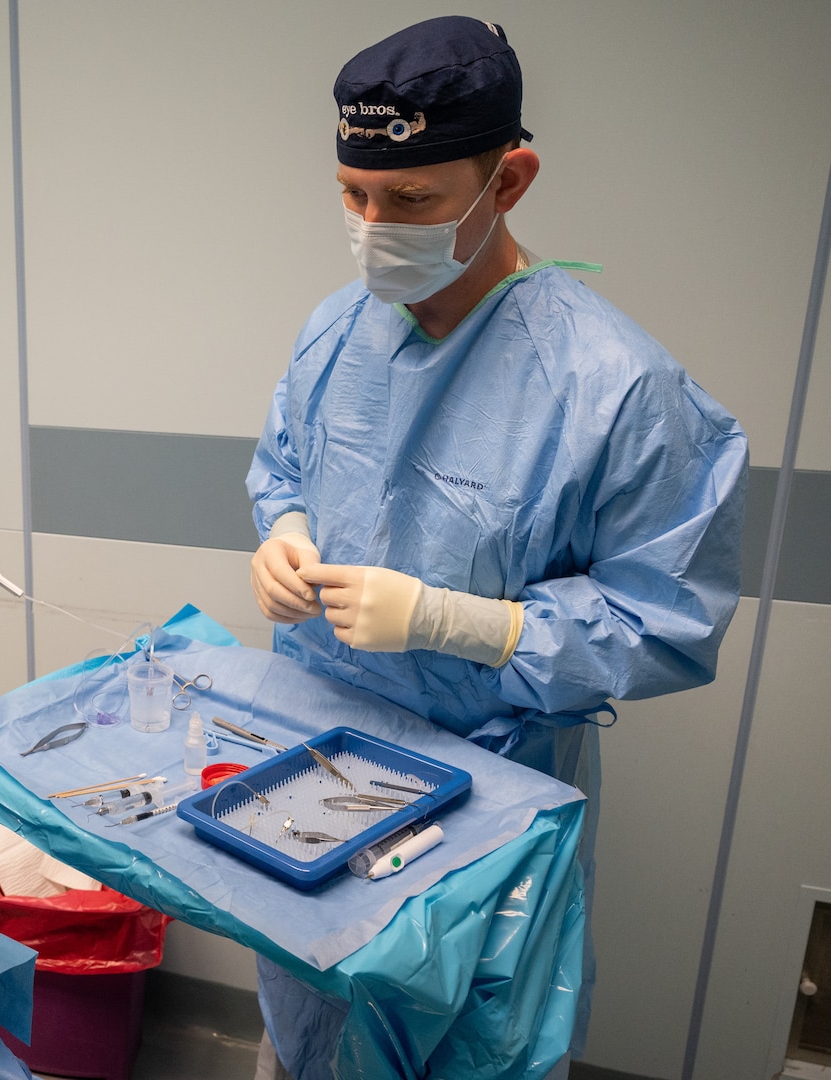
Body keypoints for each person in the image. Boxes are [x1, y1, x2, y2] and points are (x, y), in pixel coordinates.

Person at [246, 16, 747, 1080]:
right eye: (354, 194)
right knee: (312, 1035)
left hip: (484, 812)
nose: (376, 225)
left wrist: (459, 622)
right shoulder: (339, 330)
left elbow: (668, 616)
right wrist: (281, 531)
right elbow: (283, 465)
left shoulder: (614, 386)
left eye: (414, 200)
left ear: (508, 180)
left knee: (464, 1050)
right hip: (314, 768)